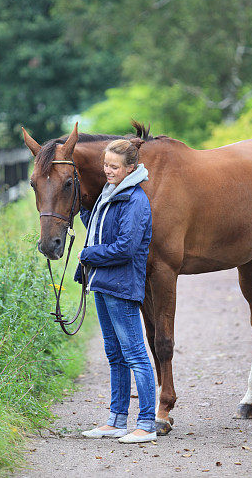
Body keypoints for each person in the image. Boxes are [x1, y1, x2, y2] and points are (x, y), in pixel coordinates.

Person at [75, 138, 156, 443]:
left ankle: (147, 424)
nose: (107, 171)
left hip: (121, 286)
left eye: (113, 166)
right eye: (105, 165)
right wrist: (84, 208)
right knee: (115, 355)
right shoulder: (110, 195)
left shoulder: (134, 200)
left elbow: (125, 248)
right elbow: (98, 226)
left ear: (130, 168)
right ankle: (116, 420)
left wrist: (87, 255)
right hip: (103, 283)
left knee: (135, 355)